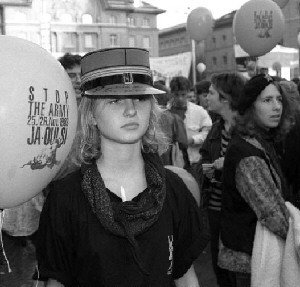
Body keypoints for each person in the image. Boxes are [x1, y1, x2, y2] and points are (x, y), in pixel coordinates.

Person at [36, 47, 203, 287]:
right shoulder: (66, 198)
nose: (131, 110)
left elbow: (186, 278)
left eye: (140, 98)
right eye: (114, 100)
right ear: (91, 114)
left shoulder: (173, 190)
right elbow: (57, 282)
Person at [219, 74, 294, 286]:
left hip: (258, 254)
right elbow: (273, 214)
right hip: (250, 261)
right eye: (267, 100)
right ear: (251, 107)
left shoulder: (260, 141)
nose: (277, 107)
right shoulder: (247, 154)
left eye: (279, 100)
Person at [199, 72, 247, 287]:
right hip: (215, 208)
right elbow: (206, 158)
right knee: (219, 266)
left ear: (226, 99)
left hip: (238, 212)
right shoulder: (217, 127)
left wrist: (227, 164)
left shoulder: (248, 131)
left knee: (239, 270)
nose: (205, 97)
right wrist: (209, 169)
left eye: (211, 93)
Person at [169, 76, 212, 165]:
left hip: (194, 161)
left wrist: (193, 140)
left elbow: (209, 133)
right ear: (171, 93)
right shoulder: (165, 113)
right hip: (171, 162)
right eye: (176, 95)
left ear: (188, 92)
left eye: (183, 94)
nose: (180, 98)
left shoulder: (199, 111)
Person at [153, 82, 189, 167]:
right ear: (168, 98)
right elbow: (183, 142)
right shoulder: (174, 118)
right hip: (168, 163)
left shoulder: (144, 116)